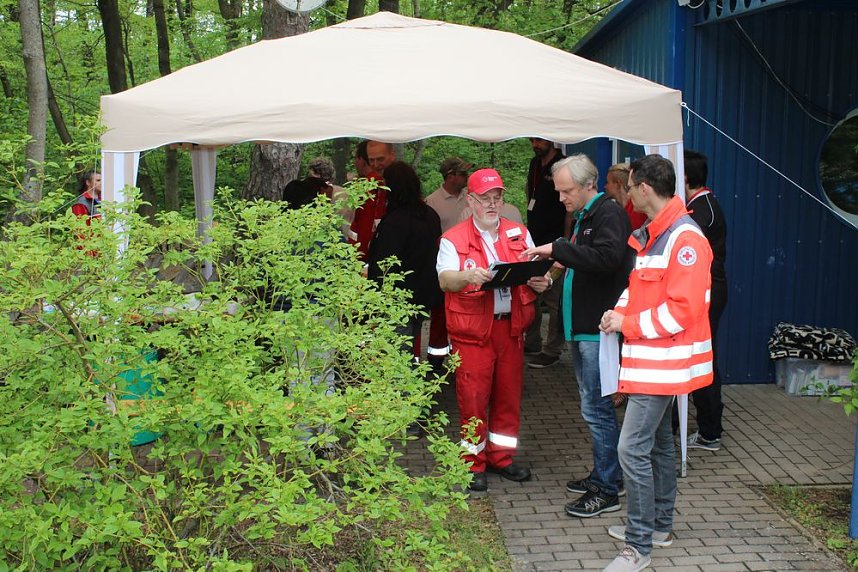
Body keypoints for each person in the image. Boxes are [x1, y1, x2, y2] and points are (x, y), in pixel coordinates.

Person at [599, 154, 713, 572]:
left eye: (629, 186)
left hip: (662, 364)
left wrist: (626, 322)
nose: (626, 193)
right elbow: (641, 289)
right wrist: (618, 313)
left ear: (644, 188)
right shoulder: (658, 235)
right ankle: (659, 527)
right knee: (661, 444)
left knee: (631, 449)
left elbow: (679, 311)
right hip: (653, 362)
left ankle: (638, 546)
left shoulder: (684, 239)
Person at [523, 155, 633, 518]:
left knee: (598, 409)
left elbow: (608, 258)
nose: (561, 199)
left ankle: (607, 488)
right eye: (558, 191)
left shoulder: (609, 213)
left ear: (589, 185)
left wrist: (557, 248)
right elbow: (576, 259)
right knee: (592, 407)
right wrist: (549, 277)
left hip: (596, 330)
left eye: (566, 191)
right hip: (583, 327)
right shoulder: (587, 215)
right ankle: (605, 475)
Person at [437, 168, 550, 492]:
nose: (491, 203)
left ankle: (502, 457)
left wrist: (544, 281)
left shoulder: (518, 232)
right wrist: (468, 277)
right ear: (470, 200)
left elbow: (534, 273)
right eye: (484, 198)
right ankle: (472, 463)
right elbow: (445, 280)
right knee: (472, 399)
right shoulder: (453, 238)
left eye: (496, 197)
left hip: (511, 330)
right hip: (472, 334)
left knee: (508, 396)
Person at [367, 161, 443, 356]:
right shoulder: (430, 215)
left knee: (396, 354)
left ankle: (400, 386)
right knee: (408, 347)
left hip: (397, 298)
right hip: (423, 294)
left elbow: (384, 263)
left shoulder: (395, 221)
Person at [684, 150, 728, 452]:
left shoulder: (703, 209)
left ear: (684, 178)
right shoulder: (698, 206)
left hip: (708, 293)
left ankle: (710, 431)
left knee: (704, 360)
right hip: (704, 291)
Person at [424, 157, 473, 371]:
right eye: (463, 174)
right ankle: (435, 361)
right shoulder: (432, 202)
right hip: (443, 266)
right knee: (441, 314)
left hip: (469, 264)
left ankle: (461, 358)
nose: (467, 178)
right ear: (450, 176)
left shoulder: (471, 199)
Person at [524, 138, 568, 369]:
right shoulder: (534, 164)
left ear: (551, 140)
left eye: (539, 140)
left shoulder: (563, 165)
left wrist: (566, 242)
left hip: (556, 242)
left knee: (554, 299)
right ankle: (532, 342)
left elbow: (568, 210)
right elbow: (529, 196)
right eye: (532, 140)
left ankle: (552, 349)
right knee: (531, 293)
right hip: (535, 241)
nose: (535, 144)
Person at [348, 140, 394, 259]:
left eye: (380, 159)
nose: (375, 164)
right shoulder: (370, 185)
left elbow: (367, 223)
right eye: (371, 160)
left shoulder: (373, 184)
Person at [604, 163, 647, 231]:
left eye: (607, 182)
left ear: (618, 184)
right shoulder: (615, 210)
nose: (605, 186)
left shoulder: (638, 209)